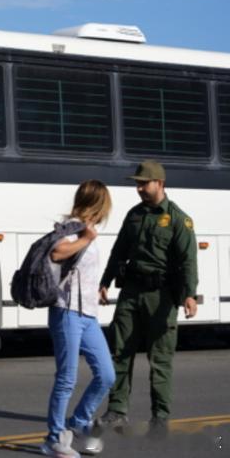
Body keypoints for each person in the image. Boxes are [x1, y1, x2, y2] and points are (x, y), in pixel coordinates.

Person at [96, 160, 198, 437]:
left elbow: (188, 261)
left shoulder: (178, 219)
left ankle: (160, 419)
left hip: (161, 297)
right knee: (119, 352)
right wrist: (105, 281)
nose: (139, 188)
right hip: (131, 293)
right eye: (138, 184)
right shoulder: (134, 215)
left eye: (144, 183)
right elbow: (119, 251)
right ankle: (117, 410)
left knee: (160, 359)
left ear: (160, 183)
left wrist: (189, 295)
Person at [41, 180, 116, 458]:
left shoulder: (88, 230)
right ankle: (54, 439)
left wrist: (97, 289)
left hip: (88, 314)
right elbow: (57, 253)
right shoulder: (69, 228)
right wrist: (85, 239)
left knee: (106, 375)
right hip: (66, 312)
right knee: (67, 378)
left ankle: (79, 421)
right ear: (97, 203)